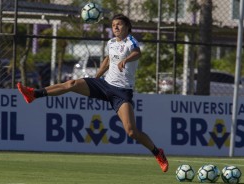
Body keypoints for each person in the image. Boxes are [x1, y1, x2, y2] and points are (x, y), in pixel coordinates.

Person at [17, 14, 169, 172]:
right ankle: (34, 94)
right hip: (104, 84)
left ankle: (157, 153)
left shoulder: (130, 41)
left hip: (121, 92)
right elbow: (107, 60)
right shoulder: (111, 43)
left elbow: (138, 53)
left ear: (127, 27)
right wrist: (95, 78)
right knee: (72, 83)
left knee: (131, 131)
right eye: (113, 25)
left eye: (119, 24)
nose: (115, 27)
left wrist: (126, 60)